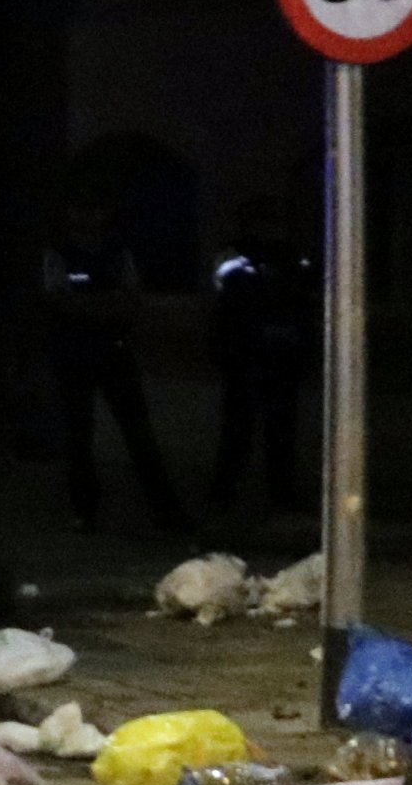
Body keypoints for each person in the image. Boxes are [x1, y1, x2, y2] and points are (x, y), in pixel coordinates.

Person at [40, 190, 194, 538]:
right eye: (81, 208)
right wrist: (105, 305)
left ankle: (165, 509)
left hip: (113, 352)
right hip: (75, 354)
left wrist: (92, 305)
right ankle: (85, 511)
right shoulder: (58, 254)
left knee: (138, 432)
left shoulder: (117, 253)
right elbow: (60, 301)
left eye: (95, 209)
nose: (88, 217)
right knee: (79, 436)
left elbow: (130, 300)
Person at [207, 196, 315, 528]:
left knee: (280, 431)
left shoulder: (293, 257)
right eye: (262, 221)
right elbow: (222, 301)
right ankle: (224, 491)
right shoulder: (233, 258)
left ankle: (280, 493)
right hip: (246, 356)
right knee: (238, 430)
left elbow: (305, 300)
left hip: (280, 356)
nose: (269, 228)